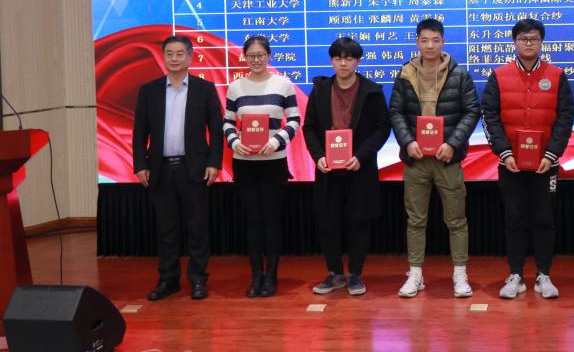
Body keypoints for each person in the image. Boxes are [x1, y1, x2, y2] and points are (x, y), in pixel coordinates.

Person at [482, 18, 574, 299]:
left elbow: (565, 117)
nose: (529, 43)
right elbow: (489, 116)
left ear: (542, 42)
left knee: (545, 219)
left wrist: (552, 153)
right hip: (510, 164)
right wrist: (504, 151)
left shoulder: (557, 75)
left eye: (534, 39)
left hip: (546, 164)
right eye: (523, 39)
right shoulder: (499, 76)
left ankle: (544, 275)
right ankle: (516, 275)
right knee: (515, 219)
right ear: (515, 42)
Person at [389, 18, 481, 298]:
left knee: (456, 220)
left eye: (435, 40)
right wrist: (408, 141)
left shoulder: (459, 75)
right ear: (417, 42)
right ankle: (415, 274)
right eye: (424, 40)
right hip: (416, 159)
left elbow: (471, 111)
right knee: (416, 220)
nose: (430, 45)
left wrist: (453, 144)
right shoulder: (405, 73)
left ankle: (460, 275)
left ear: (443, 42)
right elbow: (396, 112)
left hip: (447, 159)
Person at [132, 35, 223, 301]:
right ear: (163, 57)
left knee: (197, 229)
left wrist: (214, 163)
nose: (174, 58)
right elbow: (140, 132)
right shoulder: (149, 91)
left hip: (193, 169)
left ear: (190, 57)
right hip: (160, 170)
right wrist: (140, 164)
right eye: (169, 54)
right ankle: (168, 279)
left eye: (180, 53)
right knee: (166, 229)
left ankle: (198, 279)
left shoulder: (204, 89)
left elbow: (216, 131)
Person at [303, 37, 390, 297]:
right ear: (332, 61)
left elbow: (382, 128)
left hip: (359, 168)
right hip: (328, 169)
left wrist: (361, 156)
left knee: (359, 222)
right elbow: (309, 128)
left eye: (349, 58)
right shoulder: (320, 90)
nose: (343, 63)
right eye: (338, 58)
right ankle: (334, 273)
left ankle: (354, 274)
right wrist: (318, 156)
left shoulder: (371, 91)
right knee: (328, 222)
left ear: (358, 61)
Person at [222, 35, 301, 298]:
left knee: (271, 220)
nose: (256, 60)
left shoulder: (283, 84)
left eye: (260, 55)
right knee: (252, 221)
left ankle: (271, 276)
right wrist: (235, 142)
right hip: (244, 164)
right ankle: (256, 275)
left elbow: (294, 120)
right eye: (251, 56)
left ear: (269, 56)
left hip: (273, 163)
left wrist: (277, 141)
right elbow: (228, 122)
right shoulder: (236, 87)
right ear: (245, 57)